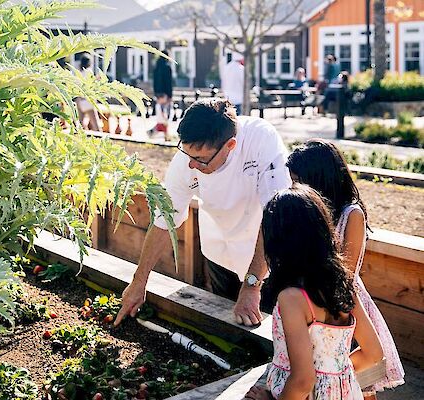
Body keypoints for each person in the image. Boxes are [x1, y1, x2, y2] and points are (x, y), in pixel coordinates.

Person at [114, 99, 291, 327]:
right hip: (219, 251)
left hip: (264, 255)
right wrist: (139, 282)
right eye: (186, 154)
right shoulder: (187, 159)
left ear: (230, 145)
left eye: (201, 159)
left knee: (267, 329)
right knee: (227, 324)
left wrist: (251, 285)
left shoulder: (261, 139)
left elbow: (275, 216)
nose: (191, 165)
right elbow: (164, 221)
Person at [286, 140, 405, 398]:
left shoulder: (351, 214)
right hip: (316, 298)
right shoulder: (309, 212)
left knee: (360, 383)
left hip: (342, 301)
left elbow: (346, 271)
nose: (294, 187)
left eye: (298, 181)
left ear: (318, 178)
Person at [245, 184, 384, 400]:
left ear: (279, 242)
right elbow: (374, 353)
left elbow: (303, 381)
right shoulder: (344, 286)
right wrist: (334, 376)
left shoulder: (291, 298)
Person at [75, 54, 100, 131]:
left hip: (80, 100)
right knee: (95, 123)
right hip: (88, 100)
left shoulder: (79, 72)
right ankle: (100, 140)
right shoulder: (89, 71)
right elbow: (92, 85)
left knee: (80, 124)